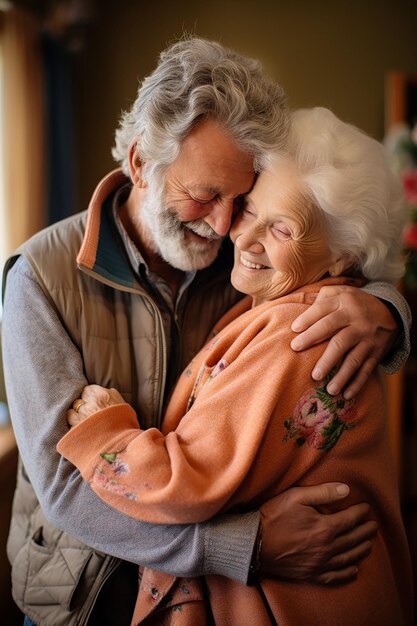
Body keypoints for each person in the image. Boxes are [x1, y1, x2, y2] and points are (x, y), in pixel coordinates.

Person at [1, 38, 410, 626]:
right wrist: (245, 545)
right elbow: (67, 491)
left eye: (240, 199)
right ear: (141, 164)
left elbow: (337, 253)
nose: (225, 227)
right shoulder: (39, 278)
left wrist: (385, 308)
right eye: (204, 196)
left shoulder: (241, 262)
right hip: (81, 598)